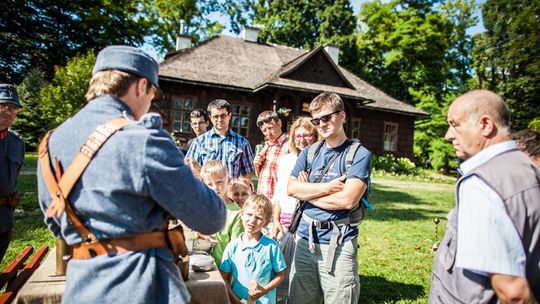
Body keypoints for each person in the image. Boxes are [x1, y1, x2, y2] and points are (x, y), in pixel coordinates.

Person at [36, 45, 227, 303]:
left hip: (81, 289)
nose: (149, 104)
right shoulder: (143, 139)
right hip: (142, 289)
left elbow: (56, 225)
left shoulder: (50, 143)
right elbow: (211, 217)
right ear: (140, 86)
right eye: (152, 95)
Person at [429, 90, 540, 303]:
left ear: (486, 125)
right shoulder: (527, 168)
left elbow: (513, 292)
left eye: (455, 125)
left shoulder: (481, 183)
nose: (448, 135)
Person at [287, 92, 371, 304]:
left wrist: (308, 191)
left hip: (339, 242)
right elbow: (291, 188)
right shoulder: (309, 153)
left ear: (342, 115)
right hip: (304, 241)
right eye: (316, 120)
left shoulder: (359, 154)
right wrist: (327, 188)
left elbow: (347, 201)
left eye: (327, 117)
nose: (321, 124)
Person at [220, 194, 286, 304]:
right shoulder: (233, 246)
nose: (252, 220)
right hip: (238, 300)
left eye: (259, 218)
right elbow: (224, 278)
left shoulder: (271, 247)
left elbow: (280, 275)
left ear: (266, 223)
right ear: (241, 214)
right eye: (249, 214)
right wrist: (236, 301)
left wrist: (264, 290)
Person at [271, 117, 319, 239]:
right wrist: (276, 220)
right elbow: (279, 192)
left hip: (309, 219)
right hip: (286, 217)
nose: (302, 140)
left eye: (307, 135)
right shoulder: (286, 160)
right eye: (298, 136)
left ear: (315, 136)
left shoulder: (320, 161)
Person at [186, 99, 255, 180]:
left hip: (231, 191)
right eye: (216, 116)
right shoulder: (199, 142)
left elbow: (247, 174)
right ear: (210, 118)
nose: (219, 120)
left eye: (223, 116)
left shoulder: (242, 143)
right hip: (207, 191)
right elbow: (190, 168)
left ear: (229, 116)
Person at [198, 160, 244, 267]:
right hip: (203, 264)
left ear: (228, 180)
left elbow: (236, 248)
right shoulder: (202, 207)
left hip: (224, 268)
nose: (215, 187)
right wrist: (203, 235)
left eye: (219, 182)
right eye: (210, 184)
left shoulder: (236, 213)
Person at [0, 84, 24, 263]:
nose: (8, 111)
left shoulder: (17, 142)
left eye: (13, 108)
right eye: (3, 106)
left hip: (4, 218)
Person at [254, 111, 288, 201]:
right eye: (264, 130)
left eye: (270, 128)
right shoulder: (266, 146)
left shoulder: (288, 145)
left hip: (278, 201)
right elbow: (262, 176)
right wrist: (257, 166)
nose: (268, 133)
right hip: (262, 198)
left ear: (279, 123)